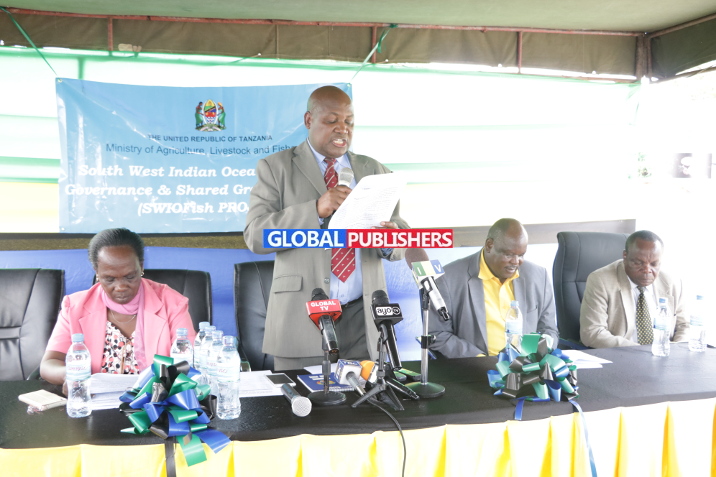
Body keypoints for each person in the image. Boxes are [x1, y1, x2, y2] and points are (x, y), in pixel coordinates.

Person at [244, 85, 408, 371]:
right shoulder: (276, 167)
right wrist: (314, 210)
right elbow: (256, 236)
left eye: (349, 122)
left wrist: (389, 237)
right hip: (303, 315)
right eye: (332, 121)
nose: (342, 129)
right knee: (304, 398)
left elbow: (401, 229)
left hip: (363, 316)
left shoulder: (374, 169)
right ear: (309, 120)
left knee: (366, 396)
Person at [40, 228, 196, 385]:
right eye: (110, 279)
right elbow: (50, 363)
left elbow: (189, 363)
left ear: (141, 267)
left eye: (130, 277)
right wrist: (70, 377)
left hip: (154, 396)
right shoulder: (74, 307)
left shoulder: (172, 304)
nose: (121, 287)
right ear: (97, 272)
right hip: (96, 397)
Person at [428, 218, 558, 358]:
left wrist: (538, 353)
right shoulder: (448, 278)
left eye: (521, 255)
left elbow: (549, 329)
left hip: (526, 365)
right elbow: (438, 334)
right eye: (508, 255)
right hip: (475, 365)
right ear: (489, 245)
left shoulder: (538, 276)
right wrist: (480, 360)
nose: (515, 262)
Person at [580, 230, 689, 348]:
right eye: (638, 263)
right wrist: (640, 352)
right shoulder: (601, 280)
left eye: (654, 264)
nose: (647, 270)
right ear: (625, 256)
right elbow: (592, 333)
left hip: (664, 354)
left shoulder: (672, 282)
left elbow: (684, 326)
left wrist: (674, 350)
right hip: (622, 354)